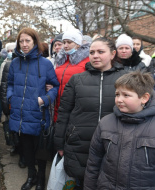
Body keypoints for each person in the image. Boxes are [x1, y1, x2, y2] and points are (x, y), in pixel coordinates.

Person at [54, 37, 128, 189]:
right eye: (92, 52)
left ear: (113, 54)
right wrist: (59, 143)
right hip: (80, 145)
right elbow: (64, 113)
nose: (95, 55)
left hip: (114, 145)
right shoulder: (77, 80)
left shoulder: (126, 79)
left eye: (101, 52)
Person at [84, 71, 155, 189]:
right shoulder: (106, 123)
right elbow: (93, 163)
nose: (119, 99)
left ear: (144, 98)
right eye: (117, 94)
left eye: (126, 95)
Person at [7, 28, 59, 190]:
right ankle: (31, 175)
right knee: (26, 148)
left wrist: (43, 100)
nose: (24, 44)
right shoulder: (15, 63)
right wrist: (11, 97)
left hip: (38, 113)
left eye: (27, 41)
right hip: (20, 114)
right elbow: (9, 83)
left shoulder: (45, 64)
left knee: (41, 150)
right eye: (21, 41)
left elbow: (55, 87)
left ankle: (41, 178)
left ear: (35, 42)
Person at [53, 29, 90, 122]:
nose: (65, 45)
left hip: (77, 107)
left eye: (69, 42)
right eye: (64, 42)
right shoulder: (60, 60)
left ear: (78, 44)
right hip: (58, 106)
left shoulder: (87, 60)